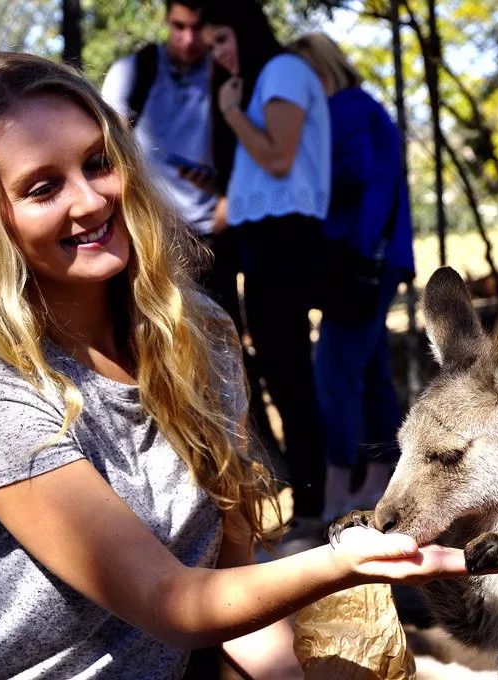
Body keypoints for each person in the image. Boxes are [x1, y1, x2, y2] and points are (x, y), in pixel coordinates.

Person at [0, 52, 469, 678]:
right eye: (43, 187)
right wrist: (350, 560)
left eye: (99, 163)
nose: (92, 200)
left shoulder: (199, 337)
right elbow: (172, 603)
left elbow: (233, 588)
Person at [100, 0, 280, 471]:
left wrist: (230, 198)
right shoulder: (133, 71)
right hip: (152, 236)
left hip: (218, 234)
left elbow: (263, 143)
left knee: (229, 344)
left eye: (198, 28)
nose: (186, 39)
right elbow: (106, 147)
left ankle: (250, 459)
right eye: (177, 26)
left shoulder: (228, 70)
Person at [202, 0, 331, 537]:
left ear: (246, 31)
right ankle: (305, 504)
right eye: (212, 47)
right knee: (277, 373)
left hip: (285, 240)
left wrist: (233, 114)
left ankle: (312, 508)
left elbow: (278, 157)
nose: (219, 55)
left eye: (223, 40)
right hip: (262, 240)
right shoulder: (260, 81)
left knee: (290, 376)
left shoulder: (281, 71)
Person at [289, 34, 415, 518]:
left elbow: (355, 174)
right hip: (376, 260)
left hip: (360, 263)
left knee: (334, 372)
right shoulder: (362, 107)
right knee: (370, 373)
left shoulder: (344, 109)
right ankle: (383, 479)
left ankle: (338, 490)